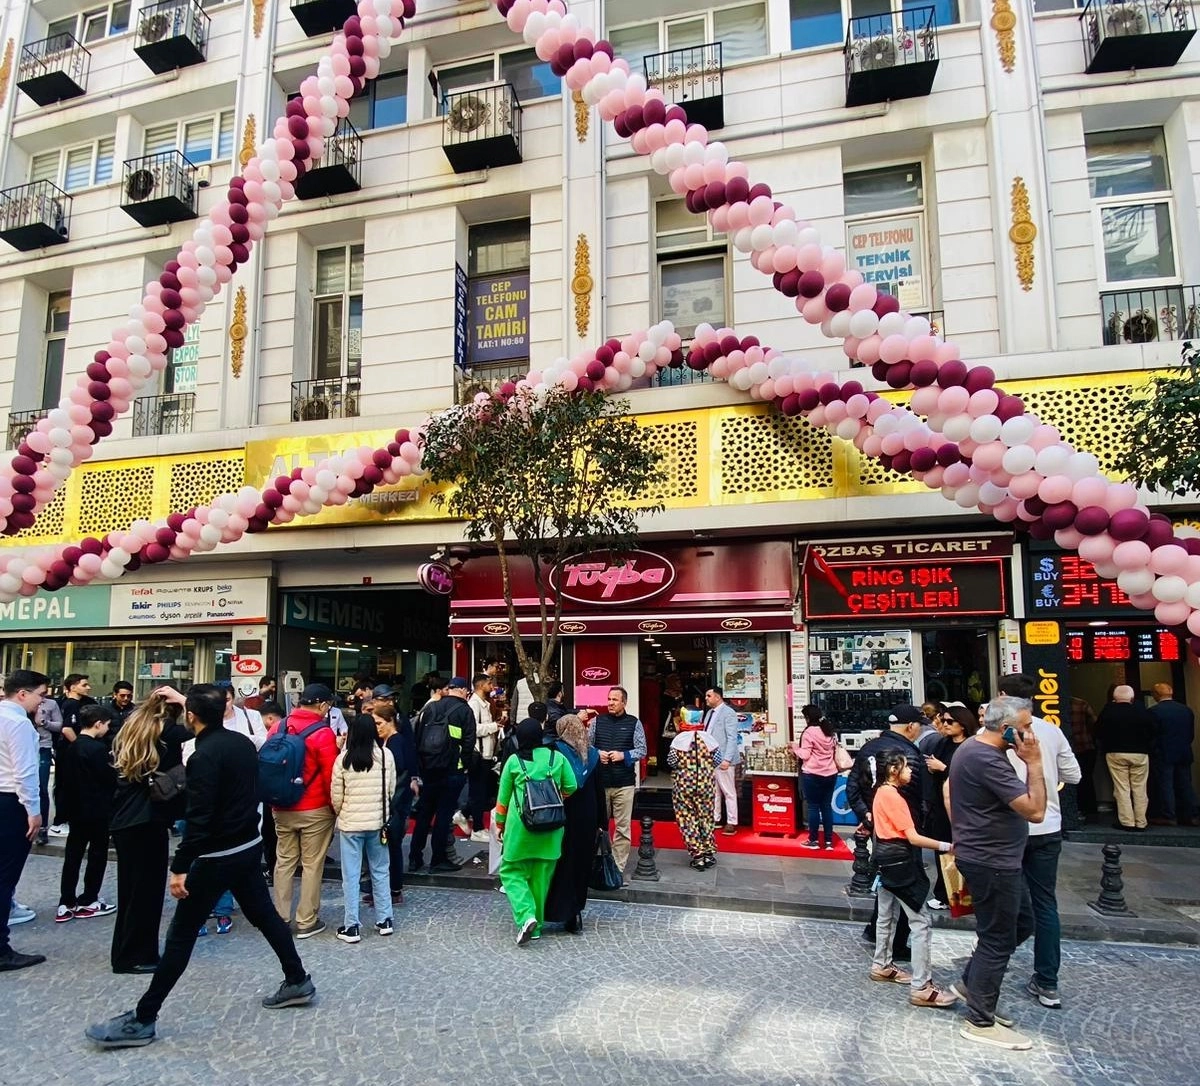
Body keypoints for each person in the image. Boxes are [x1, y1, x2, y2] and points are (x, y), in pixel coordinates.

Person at [86, 684, 315, 1049]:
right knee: (265, 917)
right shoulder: (241, 743)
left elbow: (199, 817)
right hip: (247, 845)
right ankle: (297, 978)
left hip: (216, 855)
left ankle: (144, 1017)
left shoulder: (202, 756)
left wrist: (180, 866)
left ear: (191, 715)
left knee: (181, 936)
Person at [948, 695, 1046, 1051]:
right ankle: (980, 1020)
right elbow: (1035, 810)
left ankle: (971, 983)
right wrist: (1034, 763)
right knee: (997, 938)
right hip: (991, 861)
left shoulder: (979, 750)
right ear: (1006, 729)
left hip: (996, 858)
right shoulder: (985, 758)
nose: (1031, 733)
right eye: (1026, 726)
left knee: (1022, 922)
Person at [997, 674, 1081, 1011]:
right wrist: (1047, 777)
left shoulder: (995, 735)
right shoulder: (1051, 731)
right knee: (1045, 904)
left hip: (1008, 828)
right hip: (1047, 826)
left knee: (1006, 903)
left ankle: (988, 967)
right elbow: (1073, 775)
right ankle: (1047, 981)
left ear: (1003, 695)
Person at [868, 750, 958, 1009]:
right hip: (901, 864)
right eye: (906, 767)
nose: (910, 772)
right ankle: (922, 986)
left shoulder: (881, 792)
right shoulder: (894, 797)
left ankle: (882, 964)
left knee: (887, 915)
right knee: (920, 922)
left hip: (884, 861)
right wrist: (947, 846)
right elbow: (913, 837)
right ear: (893, 770)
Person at [109, 692, 189, 974]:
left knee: (131, 892)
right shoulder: (167, 731)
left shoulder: (133, 727)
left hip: (126, 818)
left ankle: (125, 952)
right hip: (148, 819)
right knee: (147, 892)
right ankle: (136, 956)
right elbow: (205, 721)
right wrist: (184, 699)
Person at [846, 704, 928, 961]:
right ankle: (897, 943)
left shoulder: (869, 748)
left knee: (886, 878)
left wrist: (868, 816)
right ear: (911, 726)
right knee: (907, 884)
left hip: (879, 828)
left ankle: (877, 932)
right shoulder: (907, 754)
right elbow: (917, 798)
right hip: (903, 832)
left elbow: (852, 788)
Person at [494, 718, 577, 944]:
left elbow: (502, 800)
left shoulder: (514, 761)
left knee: (510, 872)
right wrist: (555, 797)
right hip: (551, 830)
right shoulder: (556, 758)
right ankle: (537, 927)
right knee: (541, 880)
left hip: (520, 831)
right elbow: (572, 786)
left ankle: (526, 915)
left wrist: (499, 825)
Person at [272, 683, 339, 940]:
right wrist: (335, 807)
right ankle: (306, 920)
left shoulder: (278, 727)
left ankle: (279, 919)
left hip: (281, 806)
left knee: (284, 862)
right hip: (315, 808)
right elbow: (330, 776)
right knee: (312, 864)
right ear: (322, 704)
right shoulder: (323, 733)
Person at [331, 714, 396, 943]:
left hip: (351, 824)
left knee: (350, 875)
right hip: (378, 823)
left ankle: (351, 926)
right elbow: (391, 790)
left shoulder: (343, 759)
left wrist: (342, 812)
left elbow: (336, 796)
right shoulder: (386, 756)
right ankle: (385, 919)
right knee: (380, 870)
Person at [0, 669, 49, 972]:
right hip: (11, 802)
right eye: (39, 695)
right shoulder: (18, 723)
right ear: (22, 694)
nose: (41, 702)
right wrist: (34, 810)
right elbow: (25, 772)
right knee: (5, 876)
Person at [55, 704, 118, 923]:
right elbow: (108, 779)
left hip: (75, 810)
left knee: (72, 856)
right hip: (97, 810)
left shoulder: (70, 747)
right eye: (107, 724)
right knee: (97, 855)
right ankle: (89, 898)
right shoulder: (98, 749)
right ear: (98, 724)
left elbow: (63, 782)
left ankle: (66, 901)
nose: (107, 728)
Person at [544, 714, 605, 932]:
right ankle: (575, 913)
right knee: (581, 864)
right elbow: (599, 790)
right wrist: (602, 821)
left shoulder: (555, 751)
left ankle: (557, 909)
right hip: (587, 816)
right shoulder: (593, 754)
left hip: (563, 814)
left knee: (562, 863)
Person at [409, 676, 476, 874]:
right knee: (443, 816)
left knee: (424, 814)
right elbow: (469, 743)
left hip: (429, 770)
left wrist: (421, 767)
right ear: (462, 690)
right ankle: (438, 860)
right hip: (452, 770)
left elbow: (417, 737)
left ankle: (414, 858)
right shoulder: (464, 710)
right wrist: (464, 767)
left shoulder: (430, 708)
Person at [923, 704, 976, 910]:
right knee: (943, 850)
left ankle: (960, 896)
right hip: (939, 805)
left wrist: (943, 768)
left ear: (962, 724)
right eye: (943, 720)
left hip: (963, 806)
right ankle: (947, 894)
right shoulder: (942, 743)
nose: (945, 724)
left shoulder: (970, 747)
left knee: (962, 850)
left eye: (949, 721)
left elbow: (969, 777)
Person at [588, 686, 646, 872]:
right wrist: (597, 754)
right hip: (600, 783)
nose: (610, 703)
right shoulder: (597, 721)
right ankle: (596, 864)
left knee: (622, 828)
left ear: (624, 702)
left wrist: (624, 755)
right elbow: (586, 747)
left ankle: (617, 868)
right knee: (598, 825)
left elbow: (642, 750)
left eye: (615, 700)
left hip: (624, 784)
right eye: (609, 699)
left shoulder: (634, 723)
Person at [370, 702, 419, 905]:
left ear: (390, 721)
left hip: (395, 803)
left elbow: (397, 773)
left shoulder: (395, 742)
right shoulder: (393, 741)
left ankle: (393, 889)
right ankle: (390, 889)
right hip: (397, 801)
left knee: (391, 846)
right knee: (390, 846)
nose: (376, 727)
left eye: (379, 723)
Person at [1097, 685, 1155, 831]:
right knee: (1140, 788)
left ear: (1114, 698)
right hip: (1140, 753)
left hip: (1115, 752)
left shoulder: (1108, 710)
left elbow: (1098, 730)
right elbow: (1153, 730)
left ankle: (1127, 821)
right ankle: (1141, 822)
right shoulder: (1141, 710)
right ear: (1132, 697)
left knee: (1122, 788)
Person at [666, 717, 721, 869]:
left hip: (684, 785)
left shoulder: (679, 741)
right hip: (706, 784)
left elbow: (671, 761)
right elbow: (717, 760)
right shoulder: (709, 739)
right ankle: (708, 852)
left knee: (686, 818)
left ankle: (697, 854)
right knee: (706, 817)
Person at [1149, 683, 1198, 826]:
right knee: (1185, 784)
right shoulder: (1186, 710)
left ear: (1155, 695)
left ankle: (1168, 815)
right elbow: (1190, 734)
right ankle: (1192, 815)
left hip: (1164, 753)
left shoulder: (1154, 712)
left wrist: (1153, 750)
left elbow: (1152, 735)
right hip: (1184, 752)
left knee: (1166, 784)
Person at [794, 704, 839, 850]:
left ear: (807, 718)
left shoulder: (809, 733)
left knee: (813, 807)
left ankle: (813, 840)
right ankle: (828, 841)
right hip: (830, 773)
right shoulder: (829, 730)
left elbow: (805, 755)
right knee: (826, 807)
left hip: (812, 774)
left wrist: (794, 748)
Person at [462, 672, 499, 843]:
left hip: (486, 753)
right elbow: (473, 729)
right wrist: (494, 726)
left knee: (480, 791)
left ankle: (463, 814)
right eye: (489, 684)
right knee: (478, 792)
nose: (492, 687)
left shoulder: (484, 703)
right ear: (480, 685)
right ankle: (477, 828)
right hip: (479, 754)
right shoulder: (474, 704)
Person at [705, 686, 741, 836]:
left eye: (709, 696)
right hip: (710, 757)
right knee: (714, 791)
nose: (706, 698)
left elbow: (732, 737)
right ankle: (716, 818)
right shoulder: (709, 713)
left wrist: (727, 759)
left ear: (718, 697)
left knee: (728, 791)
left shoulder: (728, 712)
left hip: (724, 758)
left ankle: (732, 821)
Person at [32, 692, 63, 845]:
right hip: (24, 745)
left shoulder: (50, 704)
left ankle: (43, 828)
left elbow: (59, 725)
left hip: (43, 746)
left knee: (41, 788)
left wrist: (45, 723)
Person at [1067, 696, 1100, 822]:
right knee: (1086, 779)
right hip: (1085, 746)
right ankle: (1090, 809)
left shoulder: (1051, 704)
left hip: (1068, 747)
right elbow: (1095, 723)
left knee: (1067, 780)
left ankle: (1072, 809)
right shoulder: (1081, 703)